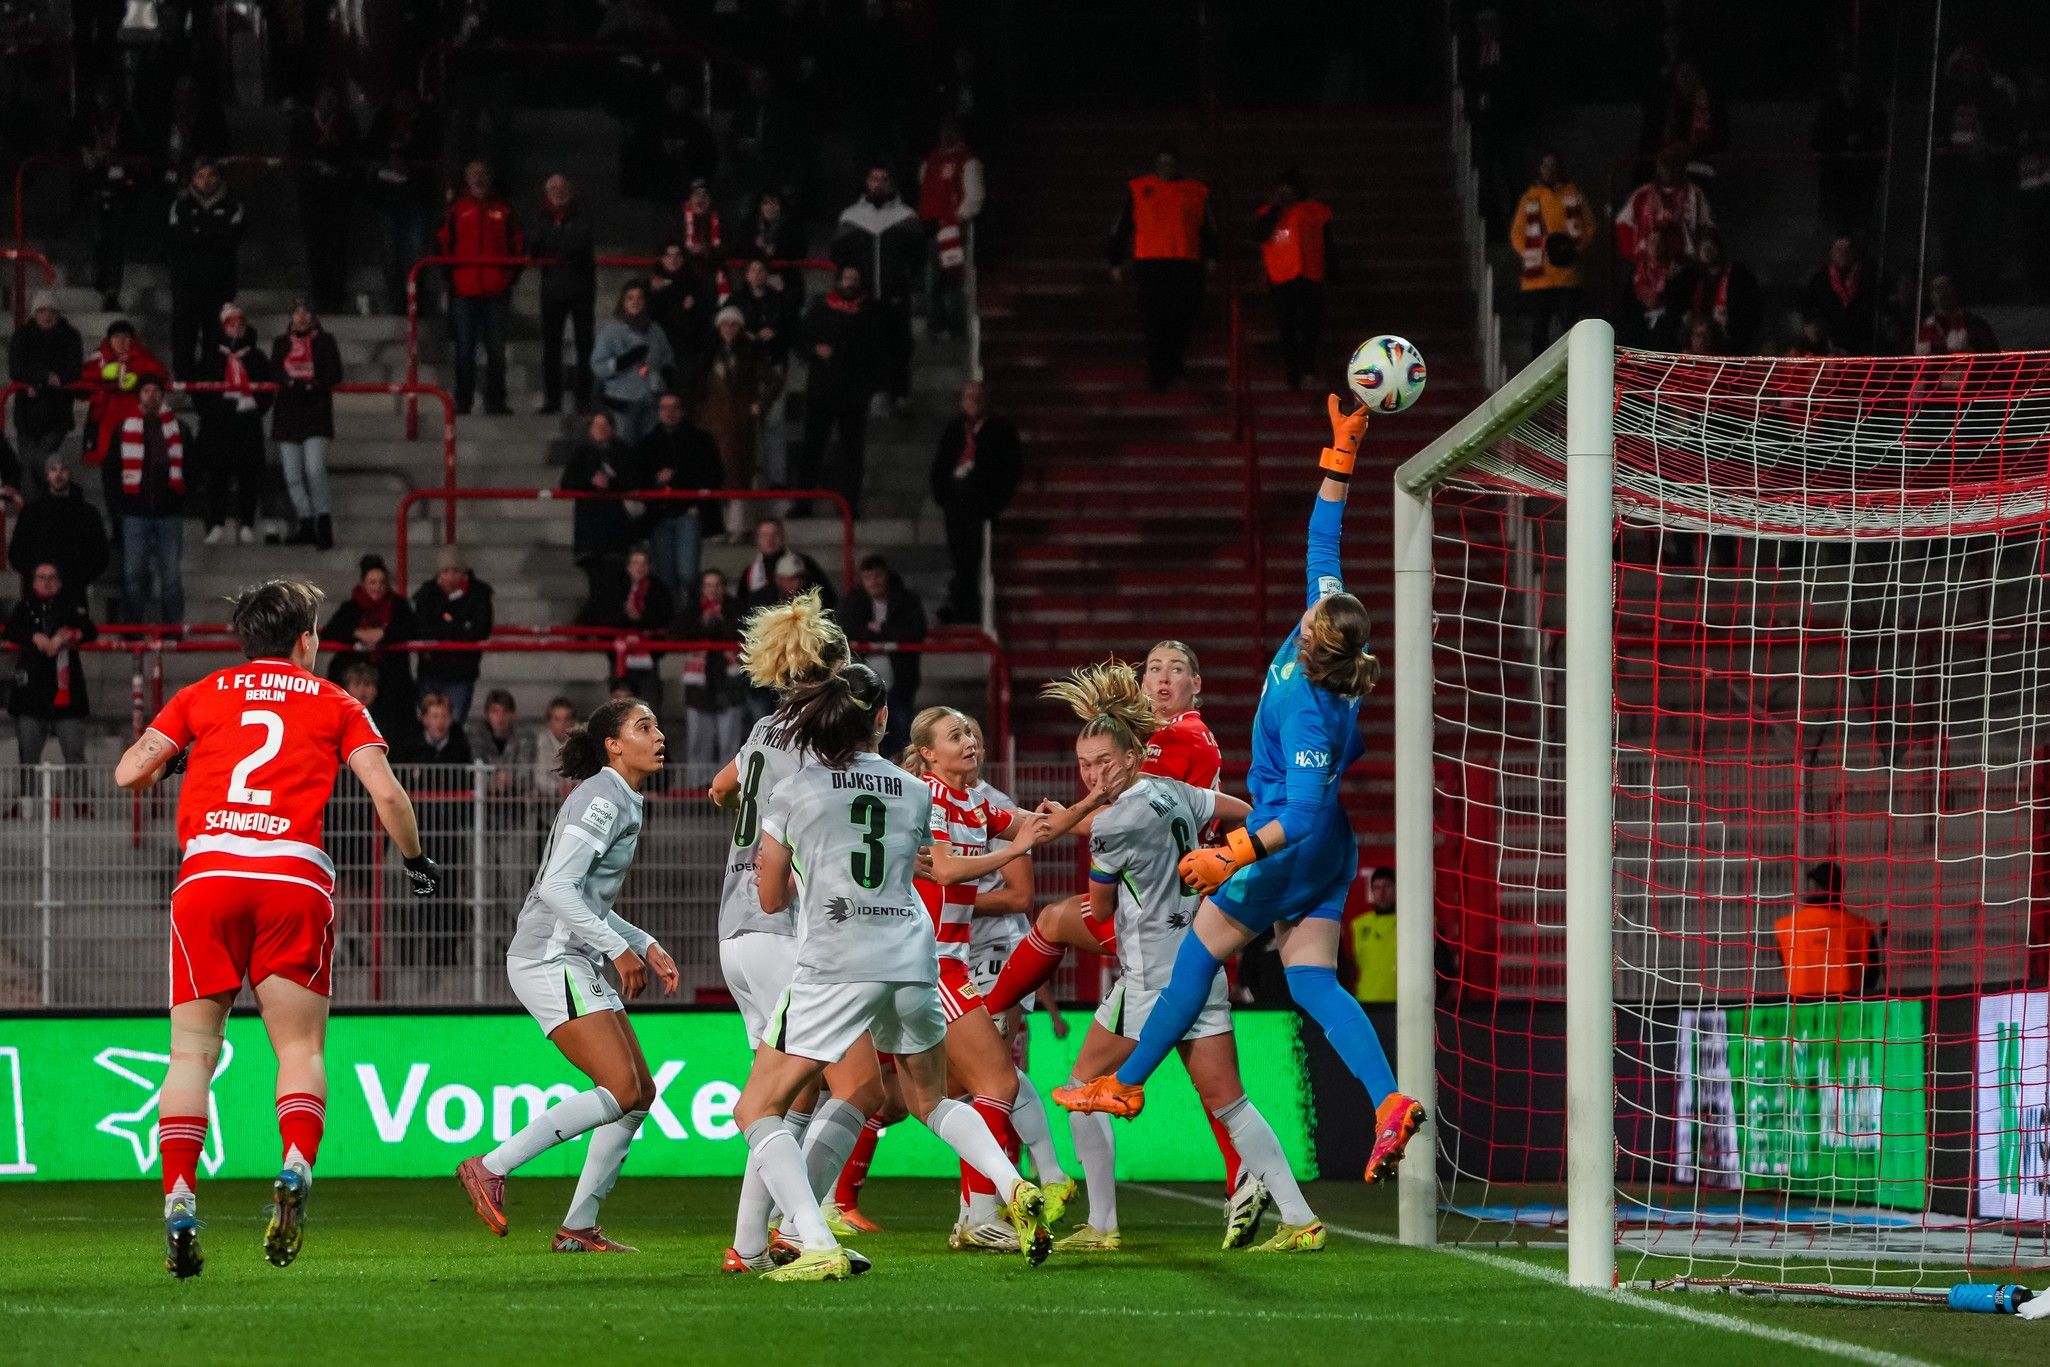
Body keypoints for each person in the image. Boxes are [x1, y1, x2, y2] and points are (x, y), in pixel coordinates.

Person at [1058, 395, 1427, 1194]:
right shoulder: (1327, 633)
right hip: (1332, 855)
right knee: (1313, 980)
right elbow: (1321, 537)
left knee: (1199, 953)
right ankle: (1388, 1097)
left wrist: (1233, 852)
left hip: (1290, 847)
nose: (1306, 611)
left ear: (1315, 641)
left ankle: (1125, 1081)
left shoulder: (1308, 709)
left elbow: (1300, 809)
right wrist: (1343, 454)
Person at [113, 579, 438, 1278]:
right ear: (304, 639)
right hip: (292, 878)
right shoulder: (336, 701)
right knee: (299, 1048)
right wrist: (416, 861)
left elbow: (127, 771)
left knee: (192, 1054)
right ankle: (294, 1166)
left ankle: (178, 1196)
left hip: (207, 879)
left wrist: (179, 759)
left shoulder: (203, 693)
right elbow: (385, 791)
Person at [728, 663, 1055, 1279]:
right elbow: (923, 869)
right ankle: (1012, 1185)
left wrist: (801, 870)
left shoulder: (795, 790)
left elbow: (770, 899)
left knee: (756, 1108)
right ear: (883, 720)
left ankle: (814, 1237)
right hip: (913, 959)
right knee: (930, 1099)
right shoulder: (914, 790)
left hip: (836, 963)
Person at [1034, 661, 1322, 1252]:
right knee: (1230, 1103)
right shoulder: (1179, 794)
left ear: (1133, 755)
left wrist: (1083, 845)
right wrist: (1239, 859)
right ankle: (1300, 1219)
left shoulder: (1112, 825)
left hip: (1149, 982)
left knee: (1081, 1087)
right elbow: (1243, 811)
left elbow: (1101, 910)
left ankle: (1102, 1225)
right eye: (1085, 764)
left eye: (1104, 762)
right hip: (1198, 965)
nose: (1094, 774)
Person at [455, 699, 681, 1253]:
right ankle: (490, 1166)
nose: (658, 737)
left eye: (656, 726)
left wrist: (641, 943)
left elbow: (586, 896)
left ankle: (579, 1226)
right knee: (622, 1088)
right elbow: (557, 889)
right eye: (643, 727)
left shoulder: (622, 798)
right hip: (548, 958)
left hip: (573, 956)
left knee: (640, 1093)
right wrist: (616, 950)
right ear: (612, 744)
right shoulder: (603, 800)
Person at [705, 591, 880, 1268]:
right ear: (831, 668)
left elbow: (720, 789)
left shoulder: (761, 731)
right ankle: (811, 1234)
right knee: (861, 1086)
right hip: (784, 930)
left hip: (736, 931)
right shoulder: (819, 741)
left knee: (790, 1092)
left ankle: (749, 1246)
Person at [904, 705, 1106, 1250]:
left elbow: (1038, 827)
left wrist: (1095, 798)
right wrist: (1015, 848)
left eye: (970, 730)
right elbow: (944, 868)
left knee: (943, 1092)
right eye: (954, 735)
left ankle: (979, 1211)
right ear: (927, 753)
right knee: (989, 1084)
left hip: (943, 962)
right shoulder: (928, 796)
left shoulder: (974, 801)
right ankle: (982, 1211)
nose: (969, 739)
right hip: (922, 961)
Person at [1109, 148, 1216, 392]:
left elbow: (1208, 227)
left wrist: (1212, 256)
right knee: (1153, 320)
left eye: (1171, 162)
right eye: (1162, 162)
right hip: (1150, 263)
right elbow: (1121, 225)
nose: (1167, 167)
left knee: (1181, 318)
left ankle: (1174, 367)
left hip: (1185, 261)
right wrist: (1115, 259)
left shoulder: (1196, 191)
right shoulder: (1138, 187)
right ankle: (1158, 373)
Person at [831, 166, 924, 414]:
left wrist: (905, 277)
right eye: (873, 179)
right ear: (866, 182)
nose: (878, 183)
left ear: (891, 183)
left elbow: (919, 256)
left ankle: (900, 394)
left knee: (899, 345)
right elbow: (838, 256)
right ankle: (868, 395)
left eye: (884, 179)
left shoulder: (906, 217)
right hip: (862, 297)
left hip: (895, 296)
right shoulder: (851, 217)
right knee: (864, 347)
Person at [929, 379, 1021, 625]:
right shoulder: (954, 429)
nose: (973, 402)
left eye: (978, 397)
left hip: (980, 502)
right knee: (960, 556)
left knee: (971, 557)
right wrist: (943, 495)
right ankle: (962, 603)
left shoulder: (1001, 429)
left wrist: (994, 503)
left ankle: (960, 604)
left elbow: (1011, 470)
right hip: (954, 503)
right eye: (969, 397)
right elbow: (940, 466)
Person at [437, 160, 525, 415]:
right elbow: (443, 244)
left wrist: (507, 278)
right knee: (465, 349)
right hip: (465, 292)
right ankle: (463, 402)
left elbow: (518, 245)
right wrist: (453, 279)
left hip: (496, 291)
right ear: (466, 179)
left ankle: (495, 402)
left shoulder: (504, 210)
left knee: (496, 350)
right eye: (473, 175)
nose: (478, 179)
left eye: (483, 174)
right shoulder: (456, 209)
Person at [797, 266, 883, 517]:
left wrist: (870, 387)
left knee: (852, 453)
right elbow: (802, 340)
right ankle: (804, 503)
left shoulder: (869, 312)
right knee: (812, 448)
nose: (849, 283)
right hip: (821, 391)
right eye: (846, 278)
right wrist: (815, 350)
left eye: (854, 279)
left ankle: (849, 506)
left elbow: (877, 352)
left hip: (853, 394)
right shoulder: (822, 307)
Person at [191, 302, 273, 547]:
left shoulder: (257, 357)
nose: (237, 328)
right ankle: (215, 524)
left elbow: (267, 390)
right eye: (231, 324)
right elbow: (200, 394)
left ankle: (247, 524)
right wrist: (219, 409)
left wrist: (254, 406)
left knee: (248, 475)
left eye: (241, 324)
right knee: (217, 477)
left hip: (247, 423)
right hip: (218, 425)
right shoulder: (210, 358)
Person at [111, 379, 189, 627]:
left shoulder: (180, 428)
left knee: (171, 578)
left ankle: (172, 631)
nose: (152, 395)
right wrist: (119, 505)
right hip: (135, 511)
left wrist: (179, 499)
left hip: (168, 512)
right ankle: (133, 630)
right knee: (133, 575)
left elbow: (192, 466)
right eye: (147, 390)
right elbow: (111, 470)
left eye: (156, 391)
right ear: (139, 395)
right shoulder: (124, 428)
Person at [7, 562, 97, 777]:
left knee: (75, 757)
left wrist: (66, 635)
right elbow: (10, 630)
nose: (47, 582)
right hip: (31, 697)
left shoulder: (71, 606)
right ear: (33, 582)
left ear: (59, 582)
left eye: (51, 577)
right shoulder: (24, 608)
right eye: (41, 577)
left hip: (67, 698)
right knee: (28, 760)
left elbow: (90, 630)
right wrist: (32, 637)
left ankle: (81, 807)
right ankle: (28, 808)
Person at [698, 307, 780, 538]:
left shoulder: (750, 354)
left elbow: (774, 380)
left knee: (738, 474)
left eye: (734, 325)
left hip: (740, 424)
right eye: (725, 325)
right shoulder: (708, 354)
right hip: (713, 423)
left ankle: (739, 527)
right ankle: (720, 526)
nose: (729, 329)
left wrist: (760, 405)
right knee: (716, 475)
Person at [1254, 170, 1337, 390]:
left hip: (1310, 275)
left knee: (1311, 325)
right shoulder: (1267, 212)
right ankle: (1293, 372)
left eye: (1289, 188)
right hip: (1281, 278)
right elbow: (1259, 234)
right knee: (1287, 327)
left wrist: (1333, 271)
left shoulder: (1317, 211)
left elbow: (1328, 244)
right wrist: (1275, 208)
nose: (1286, 193)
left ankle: (1308, 367)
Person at [634, 392, 725, 592]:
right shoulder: (646, 443)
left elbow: (713, 473)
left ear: (682, 411)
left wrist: (682, 481)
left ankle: (687, 618)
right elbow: (638, 477)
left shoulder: (700, 440)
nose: (669, 413)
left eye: (674, 408)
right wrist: (656, 480)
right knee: (664, 575)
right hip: (659, 515)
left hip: (688, 512)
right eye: (664, 408)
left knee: (688, 573)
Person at [271, 302, 343, 551]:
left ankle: (323, 522)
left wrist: (312, 383)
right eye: (297, 312)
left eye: (306, 313)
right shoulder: (281, 343)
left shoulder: (325, 341)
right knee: (293, 475)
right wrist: (292, 382)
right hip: (288, 415)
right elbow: (275, 373)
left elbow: (335, 373)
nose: (301, 317)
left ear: (313, 317)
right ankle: (305, 521)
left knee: (314, 469)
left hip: (315, 414)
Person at [321, 554, 418, 739]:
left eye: (382, 582)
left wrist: (384, 635)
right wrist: (357, 633)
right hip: (358, 672)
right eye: (372, 582)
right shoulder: (352, 607)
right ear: (363, 583)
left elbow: (411, 629)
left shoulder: (398, 606)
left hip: (392, 680)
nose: (378, 587)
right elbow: (331, 631)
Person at [166, 159, 246, 379]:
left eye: (210, 176)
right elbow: (178, 239)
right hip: (186, 286)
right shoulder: (180, 205)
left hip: (219, 286)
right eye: (200, 176)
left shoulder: (233, 206)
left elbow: (231, 239)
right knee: (183, 339)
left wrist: (198, 233)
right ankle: (184, 383)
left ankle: (210, 388)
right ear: (192, 179)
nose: (205, 181)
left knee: (216, 340)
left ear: (219, 178)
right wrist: (210, 234)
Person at [1509, 154, 1595, 356]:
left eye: (1554, 166)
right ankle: (1537, 371)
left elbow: (1590, 226)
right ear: (1540, 169)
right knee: (1540, 327)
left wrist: (1576, 249)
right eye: (1546, 166)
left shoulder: (1573, 193)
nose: (1550, 170)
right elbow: (1517, 233)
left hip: (1568, 274)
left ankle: (1572, 366)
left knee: (1570, 327)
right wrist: (1533, 252)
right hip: (1539, 277)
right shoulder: (1531, 197)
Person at [366, 88, 442, 314]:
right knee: (390, 254)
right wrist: (388, 157)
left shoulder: (426, 120)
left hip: (416, 198)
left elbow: (432, 150)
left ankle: (416, 298)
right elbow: (371, 147)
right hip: (389, 199)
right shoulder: (384, 118)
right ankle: (397, 301)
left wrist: (407, 159)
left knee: (416, 252)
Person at [842, 553, 926, 751]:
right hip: (862, 687)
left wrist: (880, 630)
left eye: (878, 576)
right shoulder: (852, 602)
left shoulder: (906, 600)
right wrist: (885, 635)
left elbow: (916, 631)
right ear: (862, 580)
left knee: (900, 733)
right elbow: (845, 630)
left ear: (886, 576)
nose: (874, 582)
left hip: (901, 681)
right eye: (868, 577)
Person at [467, 687, 538, 914]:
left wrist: (506, 780)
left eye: (505, 712)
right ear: (487, 713)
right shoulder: (474, 736)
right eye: (495, 711)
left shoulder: (525, 739)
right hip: (481, 825)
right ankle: (485, 949)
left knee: (514, 890)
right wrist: (496, 782)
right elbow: (472, 774)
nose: (500, 717)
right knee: (484, 889)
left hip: (512, 822)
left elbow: (525, 775)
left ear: (512, 715)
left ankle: (514, 947)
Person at [290, 87, 360, 315]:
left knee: (338, 250)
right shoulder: (302, 123)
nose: (328, 104)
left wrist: (335, 169)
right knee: (316, 250)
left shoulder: (346, 122)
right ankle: (320, 298)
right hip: (311, 198)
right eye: (324, 98)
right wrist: (315, 170)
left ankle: (336, 299)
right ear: (316, 100)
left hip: (339, 198)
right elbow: (295, 157)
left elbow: (354, 155)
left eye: (332, 99)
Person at [531, 174, 597, 415]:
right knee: (551, 347)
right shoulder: (541, 215)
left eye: (563, 187)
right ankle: (552, 400)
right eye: (554, 188)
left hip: (581, 288)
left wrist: (555, 240)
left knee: (584, 345)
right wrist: (560, 239)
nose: (559, 192)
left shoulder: (582, 212)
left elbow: (580, 242)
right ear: (547, 193)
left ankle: (584, 400)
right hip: (552, 290)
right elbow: (535, 247)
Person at [916, 118, 986, 341]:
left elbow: (974, 197)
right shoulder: (933, 159)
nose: (945, 135)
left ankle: (956, 328)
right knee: (931, 279)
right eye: (943, 130)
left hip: (952, 232)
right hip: (930, 228)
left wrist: (956, 219)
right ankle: (935, 324)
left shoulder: (968, 161)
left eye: (950, 130)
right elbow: (923, 185)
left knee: (953, 280)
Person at [578, 547, 673, 709]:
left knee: (650, 705)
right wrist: (626, 616)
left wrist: (640, 619)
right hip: (620, 654)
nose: (639, 567)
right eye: (635, 563)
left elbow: (664, 619)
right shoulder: (614, 588)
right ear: (628, 567)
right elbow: (604, 616)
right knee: (619, 709)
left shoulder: (659, 590)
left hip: (648, 656)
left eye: (643, 563)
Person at [675, 569, 748, 773]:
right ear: (702, 589)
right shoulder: (693, 609)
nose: (713, 590)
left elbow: (743, 631)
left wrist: (720, 623)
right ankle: (697, 790)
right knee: (699, 738)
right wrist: (703, 624)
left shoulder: (735, 608)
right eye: (708, 585)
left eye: (717, 585)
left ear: (724, 588)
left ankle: (730, 788)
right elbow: (677, 633)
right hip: (699, 682)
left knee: (729, 740)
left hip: (729, 680)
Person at [412, 546, 495, 725]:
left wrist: (442, 630)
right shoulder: (426, 594)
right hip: (430, 673)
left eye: (455, 571)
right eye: (445, 571)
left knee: (453, 726)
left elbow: (480, 630)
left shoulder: (479, 593)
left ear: (464, 572)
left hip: (460, 674)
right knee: (427, 726)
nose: (450, 577)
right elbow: (419, 629)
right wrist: (459, 628)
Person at [78, 80, 142, 311]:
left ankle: (112, 290)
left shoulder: (125, 119)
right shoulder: (86, 118)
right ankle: (99, 276)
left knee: (116, 240)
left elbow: (137, 147)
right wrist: (84, 151)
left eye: (107, 93)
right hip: (94, 185)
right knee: (99, 238)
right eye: (99, 93)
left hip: (119, 187)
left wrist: (119, 156)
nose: (103, 98)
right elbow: (71, 142)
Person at [9, 454, 110, 601]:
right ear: (47, 474)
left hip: (74, 593)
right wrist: (39, 577)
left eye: (63, 469)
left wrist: (78, 578)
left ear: (70, 473)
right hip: (38, 596)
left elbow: (100, 554)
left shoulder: (87, 513)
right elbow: (17, 553)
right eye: (53, 469)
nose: (58, 474)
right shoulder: (32, 513)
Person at [562, 411, 639, 602]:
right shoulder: (581, 452)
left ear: (612, 428)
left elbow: (634, 480)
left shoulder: (623, 451)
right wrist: (590, 482)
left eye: (605, 426)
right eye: (597, 426)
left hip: (616, 527)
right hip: (590, 527)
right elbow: (567, 482)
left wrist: (612, 483)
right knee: (596, 582)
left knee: (617, 579)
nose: (601, 430)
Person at [1772, 861, 1880, 998]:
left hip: (1800, 1010)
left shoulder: (1786, 926)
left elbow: (1784, 964)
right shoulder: (1862, 928)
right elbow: (1872, 976)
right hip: (1847, 1010)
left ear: (1816, 888)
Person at [591, 281, 675, 446]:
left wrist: (667, 373)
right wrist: (623, 361)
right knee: (624, 452)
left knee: (650, 452)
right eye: (630, 298)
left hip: (651, 402)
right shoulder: (611, 332)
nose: (635, 302)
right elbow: (598, 366)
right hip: (622, 405)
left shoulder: (655, 330)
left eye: (639, 298)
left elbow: (667, 356)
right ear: (623, 302)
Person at [8, 291, 84, 464]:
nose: (47, 315)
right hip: (27, 414)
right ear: (35, 313)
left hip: (57, 413)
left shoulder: (71, 336)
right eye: (42, 311)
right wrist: (44, 376)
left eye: (51, 311)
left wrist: (46, 379)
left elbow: (73, 370)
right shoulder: (22, 335)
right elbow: (16, 369)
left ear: (58, 313)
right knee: (28, 466)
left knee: (41, 462)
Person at [79, 320, 167, 468]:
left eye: (125, 337)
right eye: (116, 337)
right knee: (107, 461)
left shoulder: (141, 355)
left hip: (133, 414)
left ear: (132, 340)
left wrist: (139, 380)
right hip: (103, 414)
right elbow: (81, 375)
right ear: (109, 340)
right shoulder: (100, 356)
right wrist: (103, 373)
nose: (121, 341)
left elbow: (161, 373)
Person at [1675, 229, 1761, 355]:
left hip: (1730, 341)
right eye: (1703, 248)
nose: (1706, 251)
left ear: (1719, 249)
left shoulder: (1738, 275)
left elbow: (1750, 309)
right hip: (1702, 339)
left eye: (1710, 247)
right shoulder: (1696, 277)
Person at [739, 516, 835, 609]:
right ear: (757, 539)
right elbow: (743, 606)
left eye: (775, 534)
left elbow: (826, 597)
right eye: (764, 535)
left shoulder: (804, 564)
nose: (770, 540)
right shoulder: (749, 573)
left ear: (783, 537)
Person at [1802, 236, 1876, 355]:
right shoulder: (1820, 279)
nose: (1843, 253)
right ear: (1831, 252)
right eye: (1839, 249)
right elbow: (1808, 307)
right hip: (1826, 342)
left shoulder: (1868, 278)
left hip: (1859, 343)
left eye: (1847, 249)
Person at [1338, 868, 1398, 1004]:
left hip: (1401, 999)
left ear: (1396, 889)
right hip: (1366, 998)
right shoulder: (1358, 925)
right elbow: (1347, 965)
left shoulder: (1410, 924)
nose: (1382, 893)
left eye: (1387, 886)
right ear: (1372, 891)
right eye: (1377, 887)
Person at [1916, 275, 1999, 356]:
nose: (1943, 293)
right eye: (1938, 289)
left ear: (1955, 291)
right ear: (1931, 295)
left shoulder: (1974, 323)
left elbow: (1990, 353)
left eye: (1946, 288)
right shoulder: (1921, 327)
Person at [532, 695, 578, 803]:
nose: (563, 724)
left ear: (573, 721)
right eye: (557, 719)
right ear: (549, 722)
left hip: (577, 799)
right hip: (548, 801)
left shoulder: (582, 740)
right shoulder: (542, 741)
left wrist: (573, 787)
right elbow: (539, 777)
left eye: (567, 718)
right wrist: (558, 788)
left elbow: (588, 775)